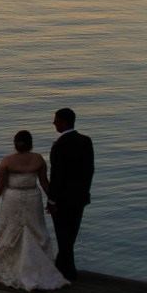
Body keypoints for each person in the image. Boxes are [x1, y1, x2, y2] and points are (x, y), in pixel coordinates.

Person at [0, 129, 69, 291]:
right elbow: (45, 183)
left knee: (10, 230)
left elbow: (0, 184)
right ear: (31, 144)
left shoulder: (7, 161)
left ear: (15, 144)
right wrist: (52, 200)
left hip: (12, 199)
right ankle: (37, 268)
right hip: (33, 198)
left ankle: (11, 268)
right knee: (36, 230)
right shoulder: (38, 159)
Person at [47, 107, 95, 280]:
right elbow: (90, 170)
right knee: (71, 234)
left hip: (62, 199)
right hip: (80, 197)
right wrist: (84, 192)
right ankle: (63, 269)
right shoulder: (86, 141)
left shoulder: (59, 145)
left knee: (63, 235)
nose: (54, 123)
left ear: (64, 122)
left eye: (56, 120)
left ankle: (67, 272)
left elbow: (57, 175)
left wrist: (52, 200)